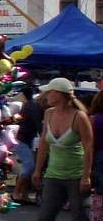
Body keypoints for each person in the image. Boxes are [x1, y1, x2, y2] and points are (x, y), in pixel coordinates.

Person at [32, 77, 93, 221]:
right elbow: (43, 144)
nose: (45, 95)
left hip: (75, 176)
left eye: (49, 92)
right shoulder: (49, 114)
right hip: (53, 174)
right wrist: (38, 170)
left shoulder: (79, 117)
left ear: (58, 94)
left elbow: (89, 147)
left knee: (79, 216)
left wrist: (86, 176)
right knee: (45, 216)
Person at [12, 86, 42, 205]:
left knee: (28, 168)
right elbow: (38, 124)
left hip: (24, 139)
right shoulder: (32, 106)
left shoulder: (27, 105)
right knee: (29, 166)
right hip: (23, 139)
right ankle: (16, 192)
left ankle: (23, 194)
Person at [90, 91, 103, 221]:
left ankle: (97, 216)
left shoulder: (95, 119)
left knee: (100, 188)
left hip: (99, 154)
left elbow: (91, 142)